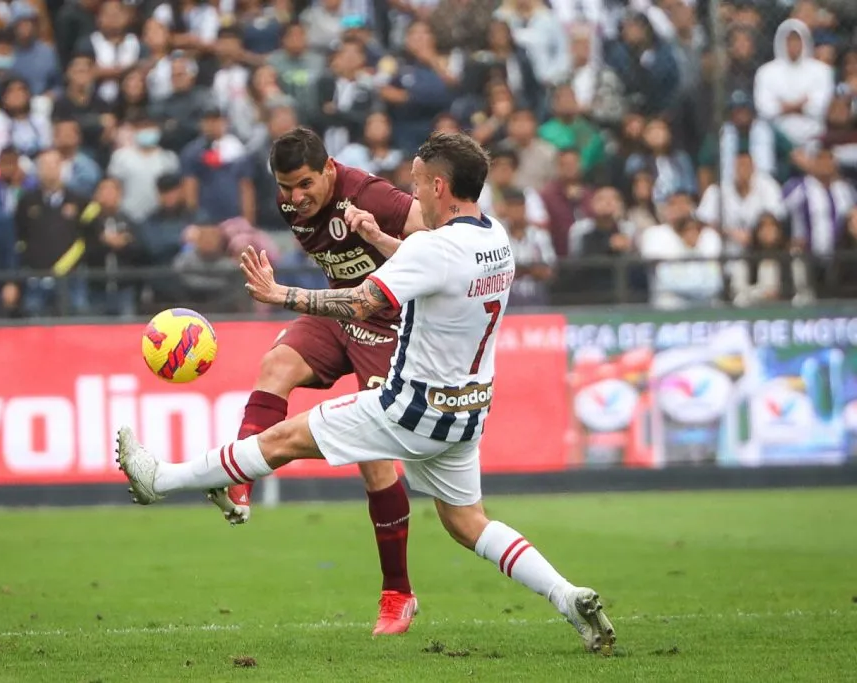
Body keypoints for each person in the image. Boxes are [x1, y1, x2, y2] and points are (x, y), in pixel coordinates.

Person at [115, 132, 615, 654]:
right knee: (468, 523)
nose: (411, 192)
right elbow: (432, 267)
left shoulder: (429, 245)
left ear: (439, 186)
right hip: (467, 411)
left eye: (417, 183)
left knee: (282, 440)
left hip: (408, 407)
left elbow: (360, 302)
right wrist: (377, 238)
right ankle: (566, 594)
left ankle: (160, 480)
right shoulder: (495, 239)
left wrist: (281, 294)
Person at [211, 126, 425, 636]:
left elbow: (432, 236)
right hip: (336, 311)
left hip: (391, 325)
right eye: (286, 187)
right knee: (275, 366)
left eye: (306, 184)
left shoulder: (371, 195)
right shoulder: (290, 202)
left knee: (373, 458)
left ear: (329, 169)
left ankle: (398, 593)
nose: (295, 197)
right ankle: (239, 480)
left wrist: (381, 240)